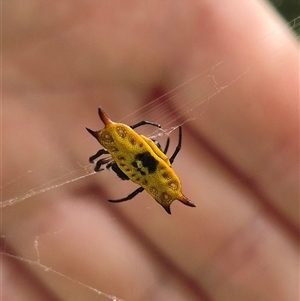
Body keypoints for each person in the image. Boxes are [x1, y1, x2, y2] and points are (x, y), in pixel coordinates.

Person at [3, 1, 298, 300]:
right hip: (134, 155)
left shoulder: (159, 173)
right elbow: (169, 149)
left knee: (135, 160)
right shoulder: (157, 171)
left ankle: (116, 148)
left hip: (135, 157)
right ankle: (114, 145)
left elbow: (168, 149)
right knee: (132, 156)